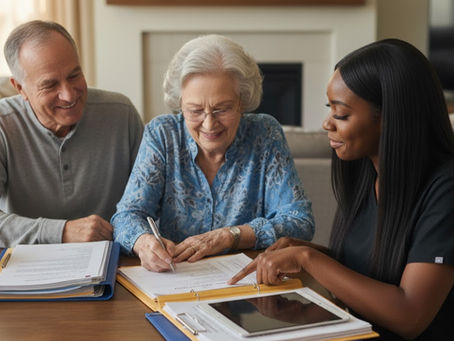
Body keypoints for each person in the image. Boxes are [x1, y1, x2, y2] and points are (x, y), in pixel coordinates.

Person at [229, 39, 454, 340]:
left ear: (391, 118)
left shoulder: (446, 190)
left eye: (342, 114)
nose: (326, 124)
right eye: (330, 109)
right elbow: (372, 270)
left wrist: (309, 261)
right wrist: (306, 255)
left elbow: (409, 315)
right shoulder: (365, 172)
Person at [112, 34, 314, 272]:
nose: (209, 125)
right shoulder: (162, 134)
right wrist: (143, 242)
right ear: (180, 104)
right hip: (175, 280)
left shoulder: (265, 134)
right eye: (195, 110)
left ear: (242, 102)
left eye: (222, 109)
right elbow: (127, 216)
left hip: (248, 286)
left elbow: (300, 221)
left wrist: (232, 236)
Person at [0, 20, 144, 247]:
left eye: (74, 75)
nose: (68, 95)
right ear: (20, 88)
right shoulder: (3, 125)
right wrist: (62, 231)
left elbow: (152, 201)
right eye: (50, 85)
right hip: (28, 267)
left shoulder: (121, 113)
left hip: (115, 260)